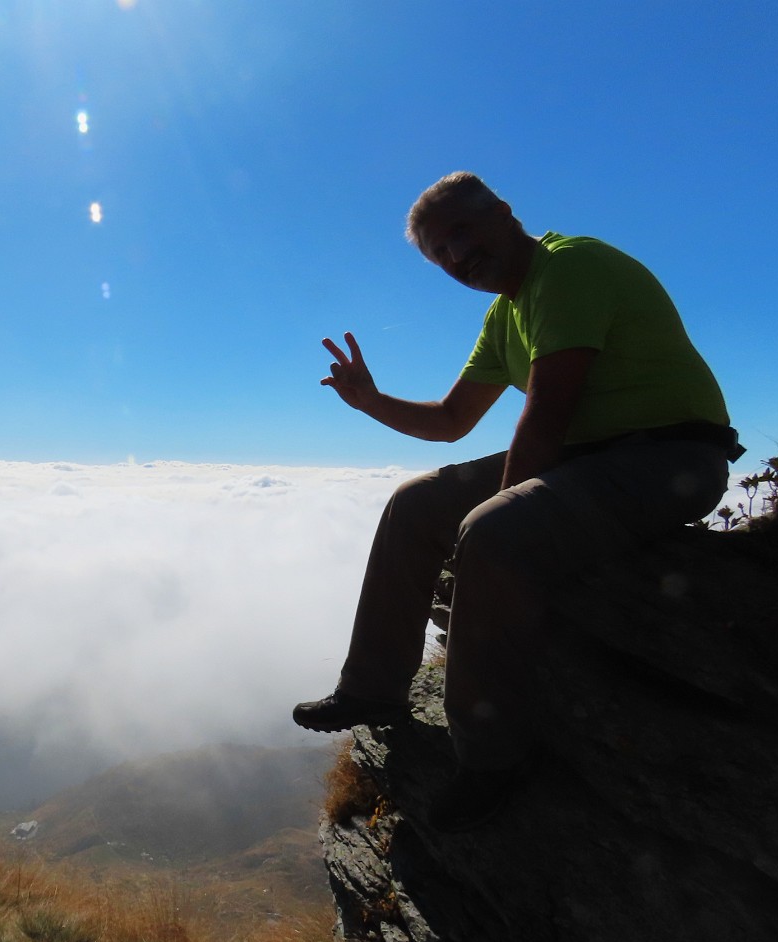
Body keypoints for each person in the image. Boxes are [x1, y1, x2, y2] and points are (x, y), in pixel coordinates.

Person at [292, 172, 742, 832]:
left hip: (671, 458)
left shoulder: (570, 267)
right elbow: (451, 420)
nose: (457, 256)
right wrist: (371, 401)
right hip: (585, 459)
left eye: (462, 232)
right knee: (415, 503)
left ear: (503, 212)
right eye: (440, 253)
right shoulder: (503, 315)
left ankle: (492, 758)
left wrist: (490, 526)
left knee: (494, 532)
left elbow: (550, 406)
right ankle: (372, 689)